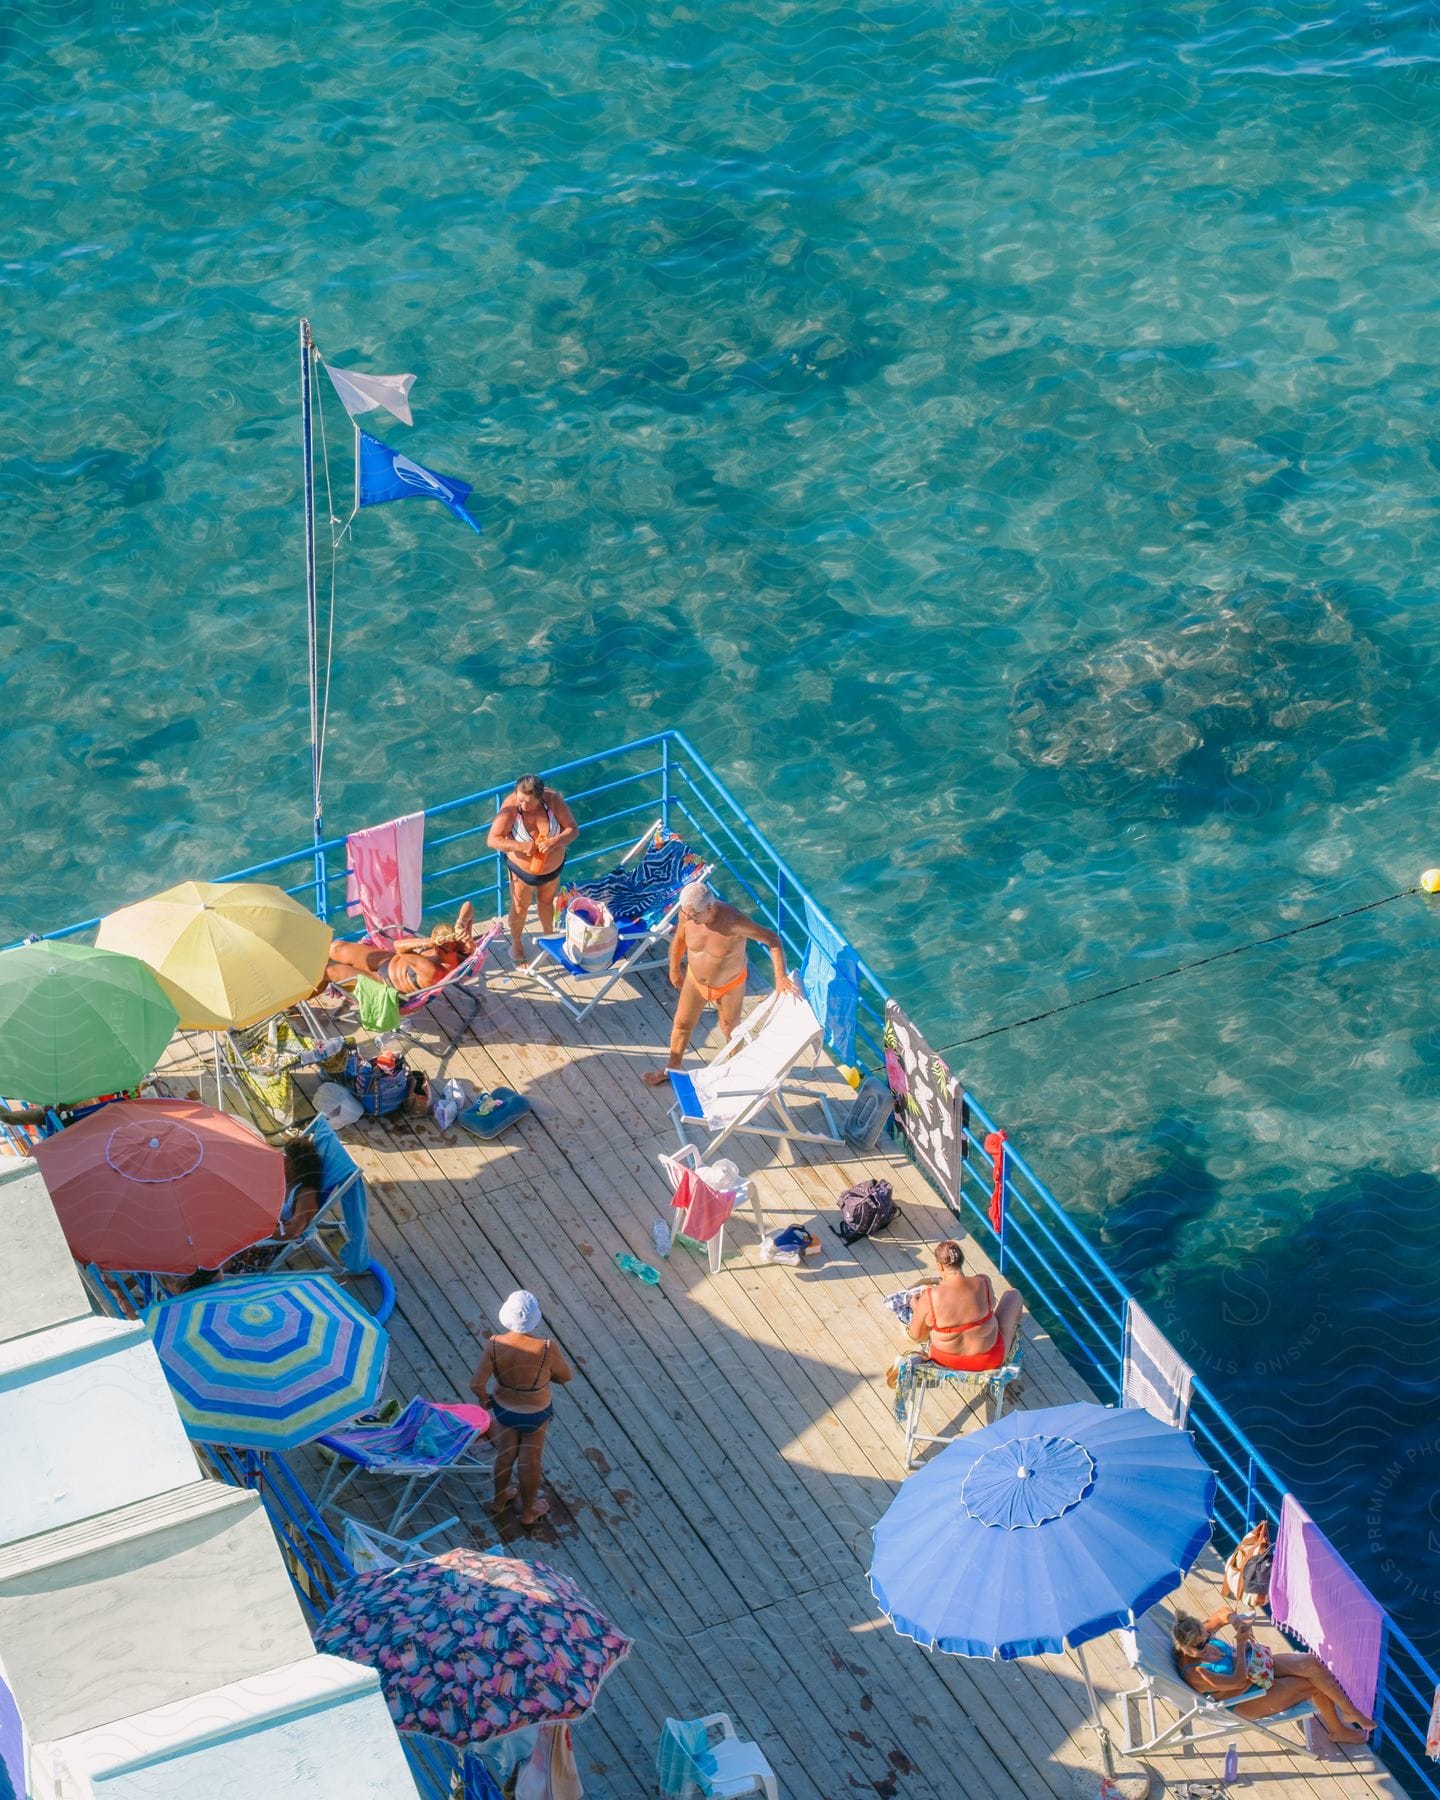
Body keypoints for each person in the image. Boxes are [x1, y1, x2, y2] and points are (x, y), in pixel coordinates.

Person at [642, 881, 798, 1086]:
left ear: (708, 908)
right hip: (695, 980)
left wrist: (780, 977)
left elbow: (772, 939)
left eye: (693, 916)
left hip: (729, 985)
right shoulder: (687, 913)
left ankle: (736, 1072)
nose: (689, 918)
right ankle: (672, 1068)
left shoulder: (734, 923)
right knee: (681, 1024)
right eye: (686, 914)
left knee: (731, 1030)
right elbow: (679, 938)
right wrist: (674, 968)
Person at [1173, 1608, 1375, 1743]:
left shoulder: (1196, 1634)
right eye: (1200, 1646)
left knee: (1310, 1663)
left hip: (1256, 1668)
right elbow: (1237, 1682)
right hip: (1244, 1698)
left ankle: (1350, 1711)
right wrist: (1241, 1645)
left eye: (1207, 1637)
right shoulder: (1196, 1672)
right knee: (1312, 1685)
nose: (1206, 1645)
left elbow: (1222, 1613)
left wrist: (1236, 1622)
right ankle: (1337, 1730)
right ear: (1184, 1647)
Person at [470, 1289, 573, 1528]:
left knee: (505, 1455)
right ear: (534, 1318)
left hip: (505, 1410)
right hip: (535, 1414)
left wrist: (484, 1399)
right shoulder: (546, 1348)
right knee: (530, 1461)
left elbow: (476, 1384)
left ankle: (498, 1500)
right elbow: (566, 1376)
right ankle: (527, 1513)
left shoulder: (494, 1344)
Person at [486, 775, 579, 963]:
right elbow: (492, 840)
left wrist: (556, 841)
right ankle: (516, 944)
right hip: (522, 872)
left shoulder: (553, 800)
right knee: (520, 907)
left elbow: (573, 830)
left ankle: (549, 938)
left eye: (527, 802)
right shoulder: (511, 808)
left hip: (552, 869)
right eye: (519, 798)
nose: (522, 805)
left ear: (540, 797)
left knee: (546, 902)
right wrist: (521, 846)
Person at [907, 1240, 1023, 1371]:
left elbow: (916, 1335)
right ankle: (1012, 1344)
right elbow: (992, 1306)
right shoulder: (982, 1282)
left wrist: (917, 1308)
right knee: (1014, 1295)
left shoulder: (930, 1296)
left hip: (944, 1361)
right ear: (962, 1261)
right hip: (989, 1359)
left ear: (940, 1266)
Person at [222, 1134, 325, 1275]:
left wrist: (257, 1231)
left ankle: (209, 1275)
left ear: (294, 1166)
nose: (280, 1159)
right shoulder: (283, 1177)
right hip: (256, 1225)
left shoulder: (305, 1193)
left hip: (266, 1243)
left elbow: (293, 1231)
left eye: (284, 1158)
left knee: (221, 1254)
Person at [323, 901, 475, 993]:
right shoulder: (462, 950)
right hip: (390, 961)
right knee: (336, 947)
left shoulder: (434, 971)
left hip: (384, 983)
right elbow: (468, 906)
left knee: (326, 970)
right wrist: (461, 924)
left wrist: (427, 942)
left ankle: (299, 1001)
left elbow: (398, 946)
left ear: (436, 947)